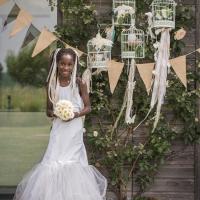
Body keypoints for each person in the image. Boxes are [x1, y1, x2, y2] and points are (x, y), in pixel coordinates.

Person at [13, 48, 107, 200]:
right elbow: (48, 111)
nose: (66, 67)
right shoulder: (51, 83)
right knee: (52, 161)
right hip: (59, 130)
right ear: (57, 64)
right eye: (62, 64)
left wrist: (74, 114)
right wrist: (58, 113)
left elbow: (88, 107)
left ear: (74, 65)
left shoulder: (79, 83)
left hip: (74, 131)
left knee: (73, 162)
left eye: (69, 64)